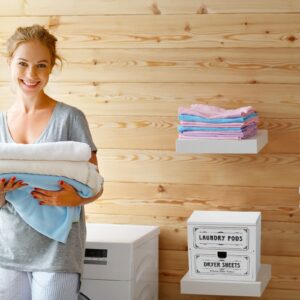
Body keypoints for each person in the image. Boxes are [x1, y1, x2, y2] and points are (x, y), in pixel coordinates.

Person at [0, 24, 102, 300]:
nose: (31, 75)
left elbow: (95, 184)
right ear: (10, 62)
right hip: (8, 249)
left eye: (41, 65)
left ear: (51, 68)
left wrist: (74, 199)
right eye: (23, 64)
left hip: (58, 251)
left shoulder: (70, 118)